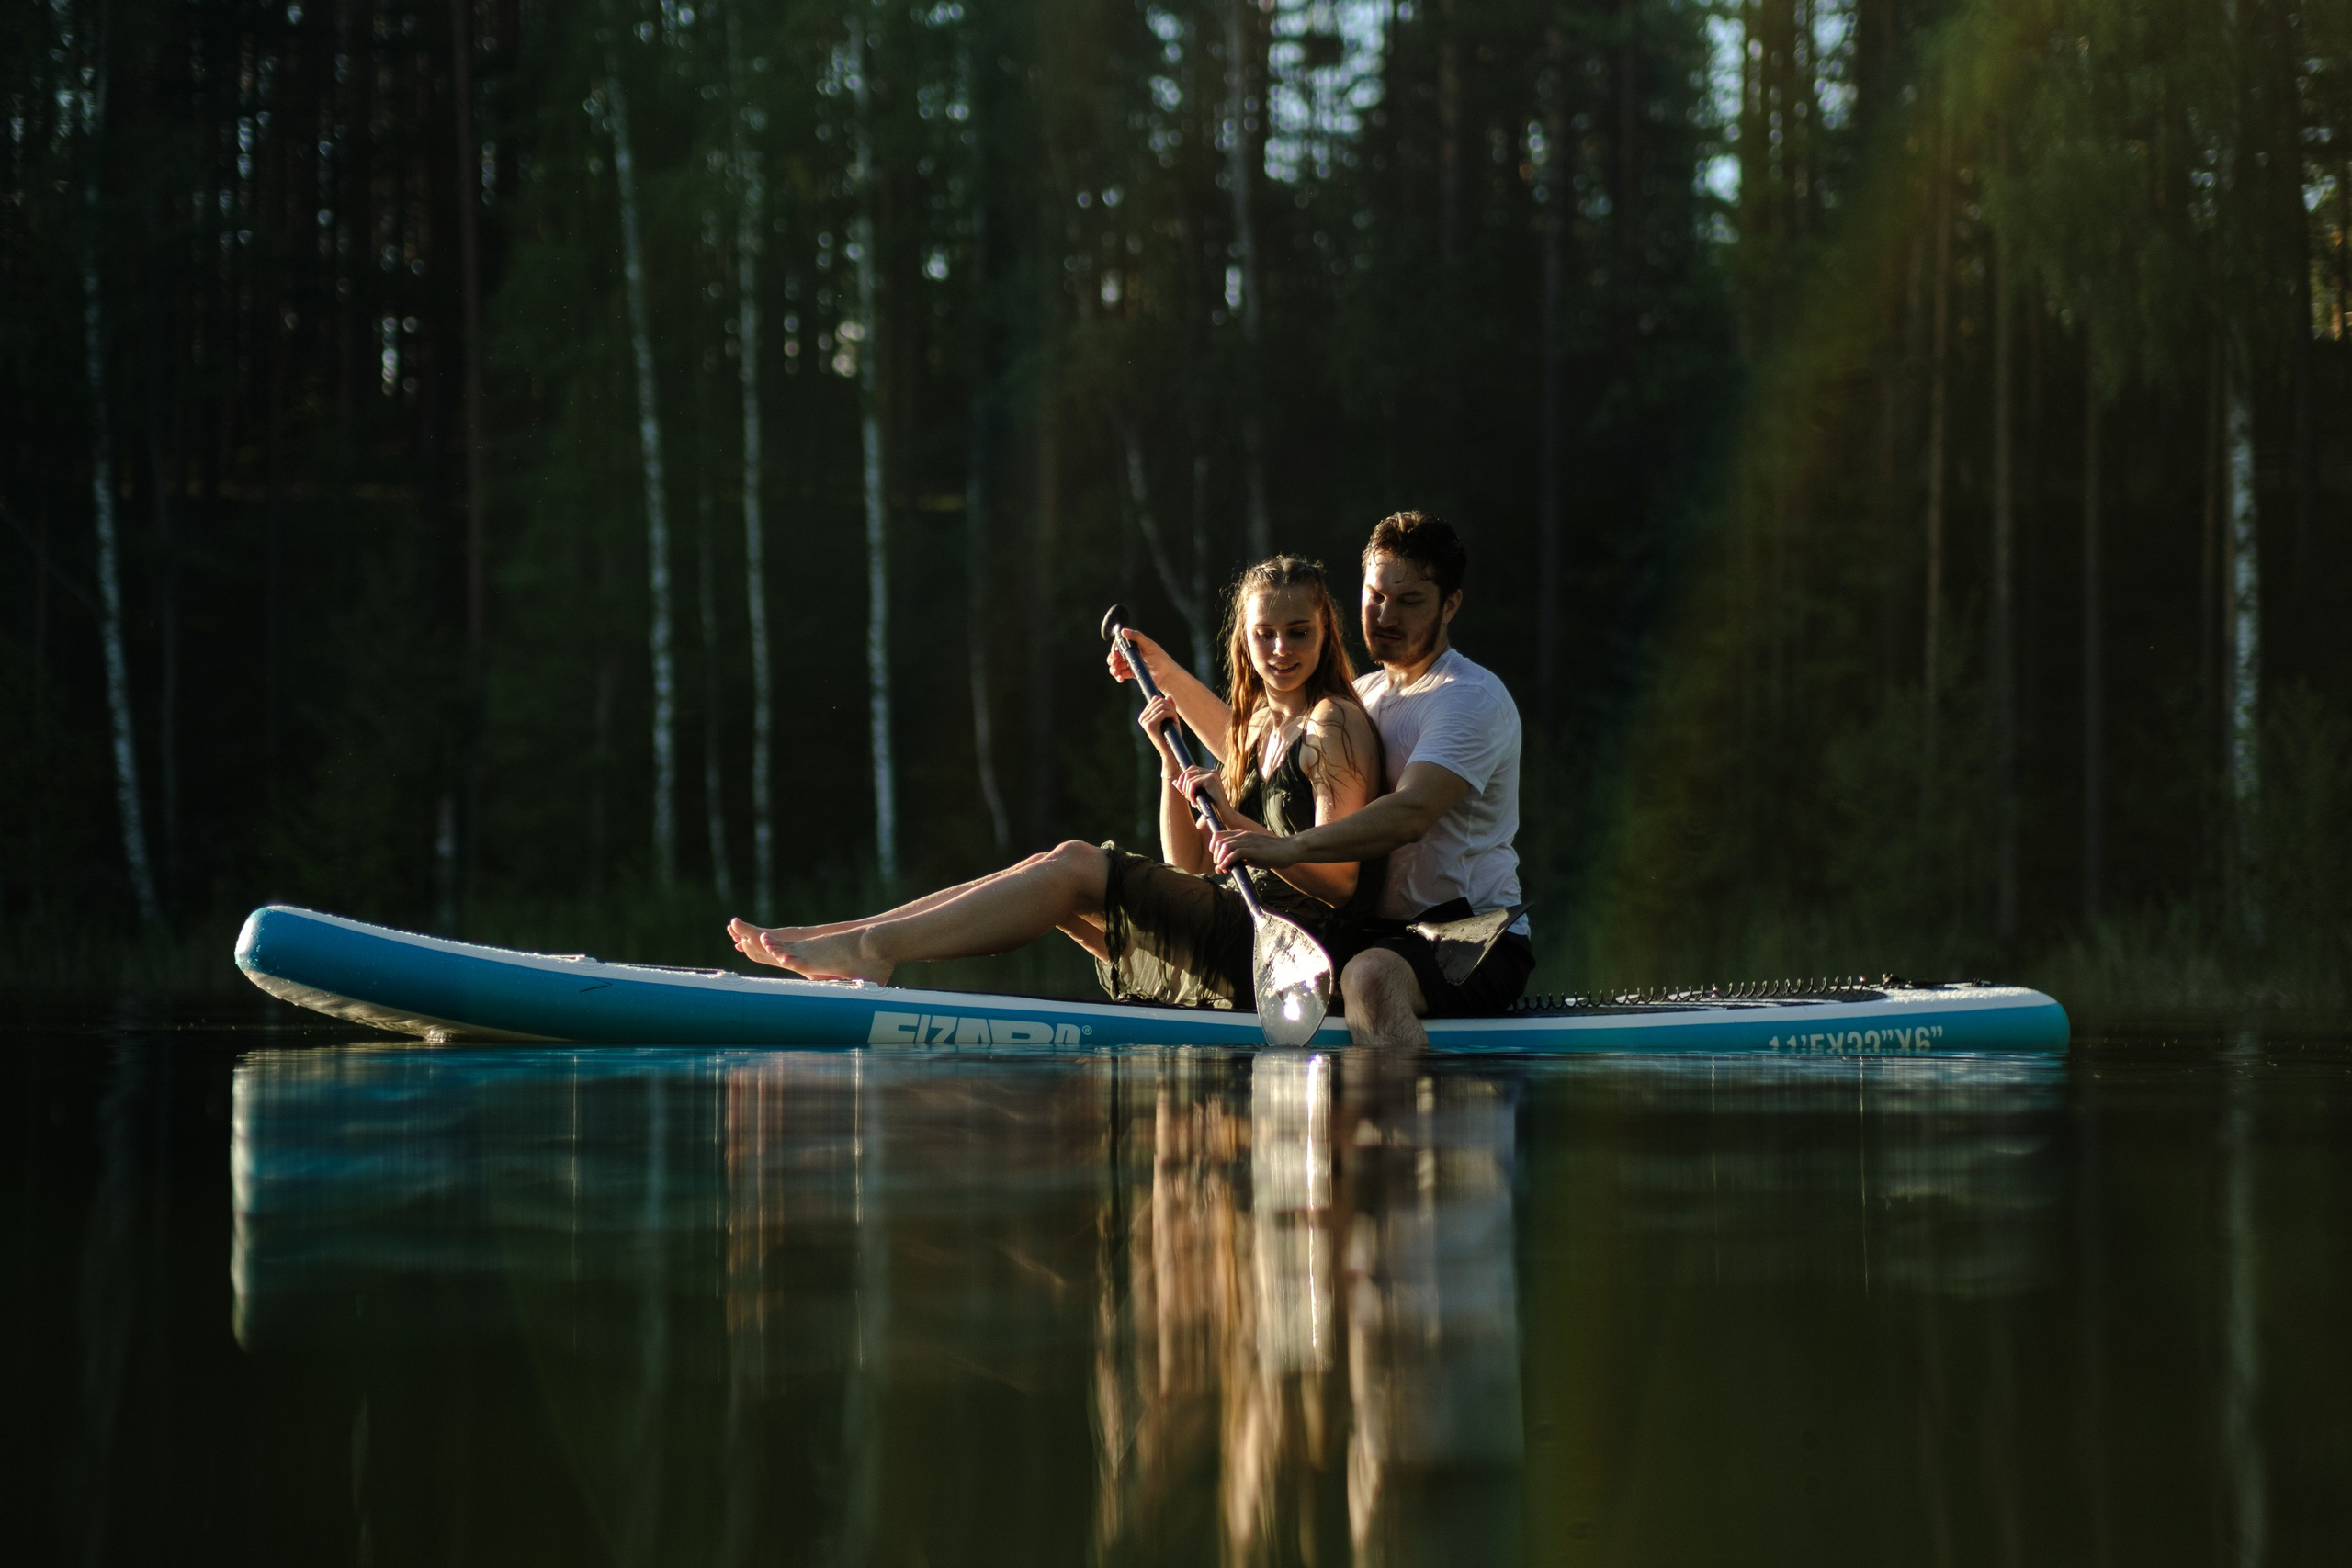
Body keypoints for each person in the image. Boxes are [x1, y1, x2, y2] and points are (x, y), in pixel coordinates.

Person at [726, 556, 1384, 1007]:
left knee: (1074, 864)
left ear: (1326, 630)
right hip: (1236, 925)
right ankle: (850, 936)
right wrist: (1168, 764)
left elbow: (1340, 879)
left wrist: (1236, 822)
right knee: (1058, 874)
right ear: (1243, 639)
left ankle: (871, 948)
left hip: (1296, 952)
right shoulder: (1260, 726)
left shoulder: (1334, 726)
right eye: (1264, 634)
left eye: (1298, 632)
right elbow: (1184, 865)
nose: (1281, 650)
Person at [1116, 512, 1530, 1046]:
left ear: (1450, 604)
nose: (1386, 615)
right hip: (1378, 936)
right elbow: (1258, 749)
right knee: (1362, 966)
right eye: (1376, 596)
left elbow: (1411, 813)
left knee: (1369, 977)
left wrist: (1290, 849)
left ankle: (1423, 1128)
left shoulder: (1467, 697)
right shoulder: (1369, 693)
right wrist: (1164, 674)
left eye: (1410, 602)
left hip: (1471, 935)